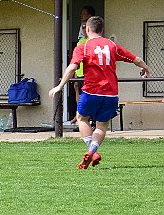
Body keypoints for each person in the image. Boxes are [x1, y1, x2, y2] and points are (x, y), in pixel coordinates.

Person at [49, 16, 151, 169]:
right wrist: (146, 69)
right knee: (101, 127)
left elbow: (72, 68)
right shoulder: (112, 45)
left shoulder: (83, 47)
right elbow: (136, 59)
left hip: (91, 92)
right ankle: (92, 151)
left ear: (87, 29)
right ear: (102, 30)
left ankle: (91, 150)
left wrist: (59, 86)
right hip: (110, 94)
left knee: (81, 118)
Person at [71, 6, 96, 125]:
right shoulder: (80, 41)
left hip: (88, 74)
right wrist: (75, 73)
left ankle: (89, 119)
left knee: (88, 97)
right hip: (80, 72)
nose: (81, 15)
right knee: (78, 93)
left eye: (84, 13)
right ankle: (79, 116)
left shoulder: (92, 40)